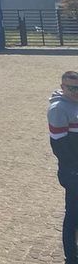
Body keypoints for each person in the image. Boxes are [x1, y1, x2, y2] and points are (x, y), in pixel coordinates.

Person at [49, 70, 78, 264]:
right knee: (73, 215)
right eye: (71, 88)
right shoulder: (58, 109)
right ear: (62, 87)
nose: (75, 92)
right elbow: (59, 146)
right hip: (73, 172)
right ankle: (71, 257)